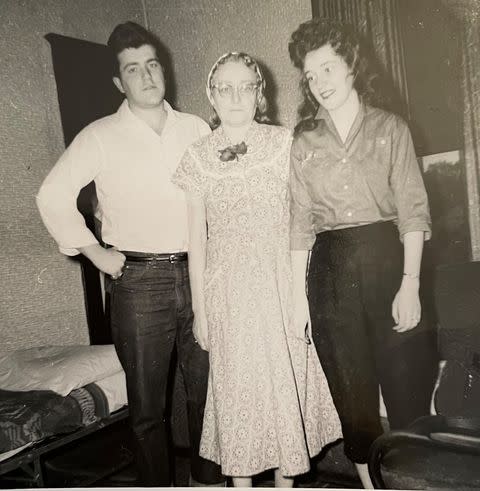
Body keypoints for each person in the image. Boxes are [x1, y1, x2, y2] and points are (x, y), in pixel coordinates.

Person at [36, 21, 224, 487]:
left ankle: (209, 481)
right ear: (119, 82)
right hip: (140, 285)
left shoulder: (196, 127)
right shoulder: (99, 135)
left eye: (153, 64)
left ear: (165, 71)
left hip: (200, 275)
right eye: (133, 69)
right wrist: (96, 254)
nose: (146, 76)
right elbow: (51, 194)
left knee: (210, 396)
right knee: (146, 410)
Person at [172, 51, 342, 488]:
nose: (235, 97)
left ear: (259, 92)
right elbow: (195, 241)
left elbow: (304, 220)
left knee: (287, 386)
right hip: (227, 290)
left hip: (280, 283)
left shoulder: (284, 142)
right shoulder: (196, 156)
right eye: (224, 88)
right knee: (237, 394)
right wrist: (202, 313)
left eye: (245, 86)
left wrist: (301, 295)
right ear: (211, 94)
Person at [288, 19, 438, 488]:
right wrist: (297, 302)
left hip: (390, 262)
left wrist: (410, 284)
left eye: (328, 68)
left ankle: (413, 481)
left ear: (351, 64)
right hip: (330, 273)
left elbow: (413, 213)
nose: (320, 84)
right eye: (311, 76)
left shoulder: (391, 128)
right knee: (352, 399)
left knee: (407, 392)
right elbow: (298, 227)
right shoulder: (303, 141)